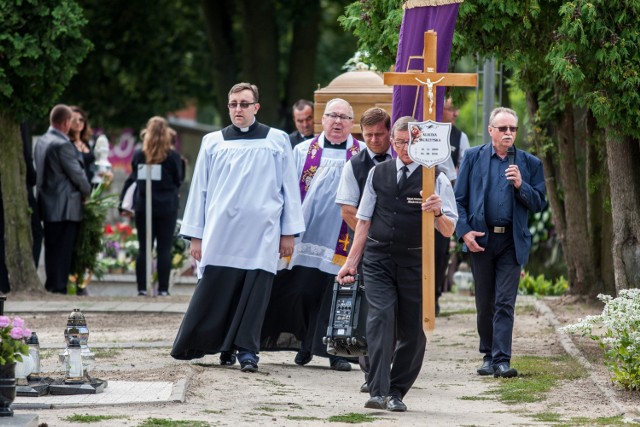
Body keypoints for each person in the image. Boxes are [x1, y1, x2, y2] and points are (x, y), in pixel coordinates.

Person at [171, 83, 305, 373]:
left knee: (255, 293)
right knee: (218, 290)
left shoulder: (277, 140)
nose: (238, 109)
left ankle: (247, 350)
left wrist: (288, 232)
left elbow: (289, 189)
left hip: (263, 233)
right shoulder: (213, 142)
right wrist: (196, 236)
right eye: (233, 104)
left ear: (256, 107)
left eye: (244, 104)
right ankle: (218, 344)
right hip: (221, 232)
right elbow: (199, 191)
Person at [337, 116, 458, 412]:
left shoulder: (436, 177)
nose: (404, 148)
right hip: (378, 259)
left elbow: (449, 229)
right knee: (380, 319)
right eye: (400, 142)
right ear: (392, 143)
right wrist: (351, 263)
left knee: (414, 331)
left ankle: (397, 390)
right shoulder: (378, 173)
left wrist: (438, 212)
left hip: (415, 262)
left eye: (410, 142)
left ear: (420, 143)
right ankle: (377, 390)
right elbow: (363, 222)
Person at [261, 98, 361, 372]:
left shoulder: (360, 153)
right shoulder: (303, 151)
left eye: (344, 117)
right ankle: (305, 343)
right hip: (306, 237)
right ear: (323, 120)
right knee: (303, 291)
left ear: (352, 123)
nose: (338, 121)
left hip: (343, 239)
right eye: (332, 116)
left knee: (337, 297)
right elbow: (285, 192)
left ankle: (337, 353)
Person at [455, 107, 546, 378]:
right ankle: (487, 355)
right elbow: (458, 201)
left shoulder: (529, 163)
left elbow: (539, 203)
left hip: (510, 241)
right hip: (481, 239)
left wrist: (521, 186)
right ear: (491, 130)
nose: (508, 133)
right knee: (485, 302)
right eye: (503, 128)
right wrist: (465, 232)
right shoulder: (473, 157)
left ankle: (502, 360)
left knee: (505, 302)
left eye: (513, 129)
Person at [335, 107, 393, 392]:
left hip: (402, 246)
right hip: (369, 245)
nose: (373, 140)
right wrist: (372, 230)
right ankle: (370, 372)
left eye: (379, 134)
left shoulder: (403, 159)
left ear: (390, 132)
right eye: (368, 135)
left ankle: (389, 364)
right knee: (372, 310)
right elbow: (347, 209)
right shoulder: (354, 165)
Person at [119, 116, 183, 297]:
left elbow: (133, 178)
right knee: (164, 248)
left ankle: (141, 288)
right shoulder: (173, 157)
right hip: (167, 207)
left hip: (144, 206)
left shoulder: (140, 155)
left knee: (144, 248)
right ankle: (163, 289)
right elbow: (179, 180)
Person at [34, 104, 92, 294]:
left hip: (47, 204)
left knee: (51, 249)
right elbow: (77, 175)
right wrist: (87, 192)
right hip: (66, 206)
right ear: (66, 122)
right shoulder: (63, 144)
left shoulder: (42, 141)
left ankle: (53, 285)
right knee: (63, 251)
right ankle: (58, 288)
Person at [68, 106, 96, 184]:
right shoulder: (66, 144)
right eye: (73, 120)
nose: (78, 122)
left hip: (92, 186)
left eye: (81, 120)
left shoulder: (87, 143)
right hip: (75, 188)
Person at [442, 97, 470, 171]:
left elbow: (466, 169)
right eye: (451, 109)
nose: (456, 114)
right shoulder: (425, 132)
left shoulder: (461, 137)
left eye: (457, 109)